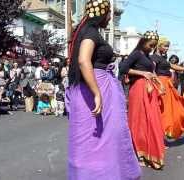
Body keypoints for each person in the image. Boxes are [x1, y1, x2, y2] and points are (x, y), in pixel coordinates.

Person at [66, 0, 141, 179]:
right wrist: (97, 93)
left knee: (93, 140)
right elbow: (84, 61)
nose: (109, 18)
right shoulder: (91, 33)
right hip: (96, 88)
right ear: (102, 13)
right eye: (109, 14)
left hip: (88, 88)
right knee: (104, 138)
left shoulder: (82, 32)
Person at [119, 30, 165, 170]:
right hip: (138, 89)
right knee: (139, 121)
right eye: (151, 45)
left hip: (148, 90)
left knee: (150, 120)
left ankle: (148, 152)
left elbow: (152, 72)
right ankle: (137, 153)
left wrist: (158, 83)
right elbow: (123, 68)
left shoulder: (146, 55)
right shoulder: (136, 54)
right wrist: (142, 73)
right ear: (144, 42)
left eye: (154, 46)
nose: (152, 48)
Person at [151, 37, 184, 139]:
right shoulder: (154, 57)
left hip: (167, 84)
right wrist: (159, 84)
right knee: (162, 111)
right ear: (158, 46)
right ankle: (159, 137)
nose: (167, 48)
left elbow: (173, 66)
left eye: (167, 46)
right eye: (165, 46)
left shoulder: (163, 58)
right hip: (161, 84)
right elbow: (152, 71)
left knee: (172, 108)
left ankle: (166, 132)